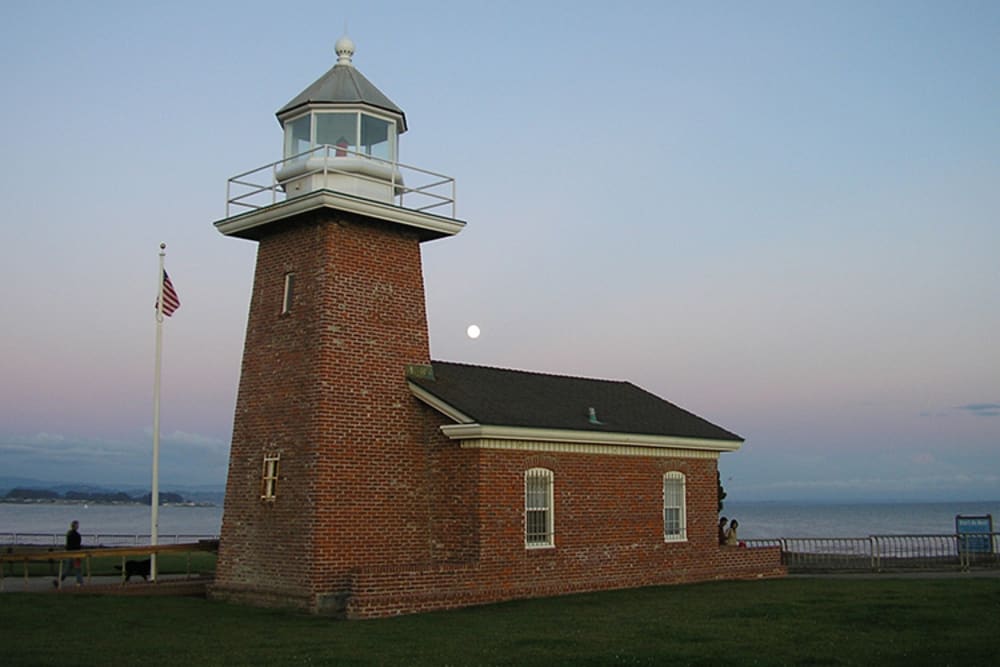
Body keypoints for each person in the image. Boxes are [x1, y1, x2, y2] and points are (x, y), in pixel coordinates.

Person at [55, 520, 83, 587]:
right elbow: (78, 546)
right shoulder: (77, 535)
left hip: (69, 553)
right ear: (75, 526)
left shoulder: (69, 534)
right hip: (75, 554)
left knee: (67, 569)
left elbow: (68, 545)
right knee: (78, 569)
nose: (78, 526)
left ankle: (59, 581)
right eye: (77, 525)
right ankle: (79, 583)